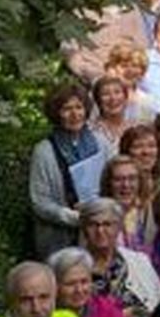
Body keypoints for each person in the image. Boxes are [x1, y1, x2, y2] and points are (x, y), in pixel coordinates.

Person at [30, 81, 107, 257]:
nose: (74, 114)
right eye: (66, 109)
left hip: (100, 232)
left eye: (79, 107)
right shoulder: (44, 150)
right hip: (61, 240)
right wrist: (74, 218)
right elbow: (40, 202)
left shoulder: (101, 143)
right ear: (56, 113)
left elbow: (113, 183)